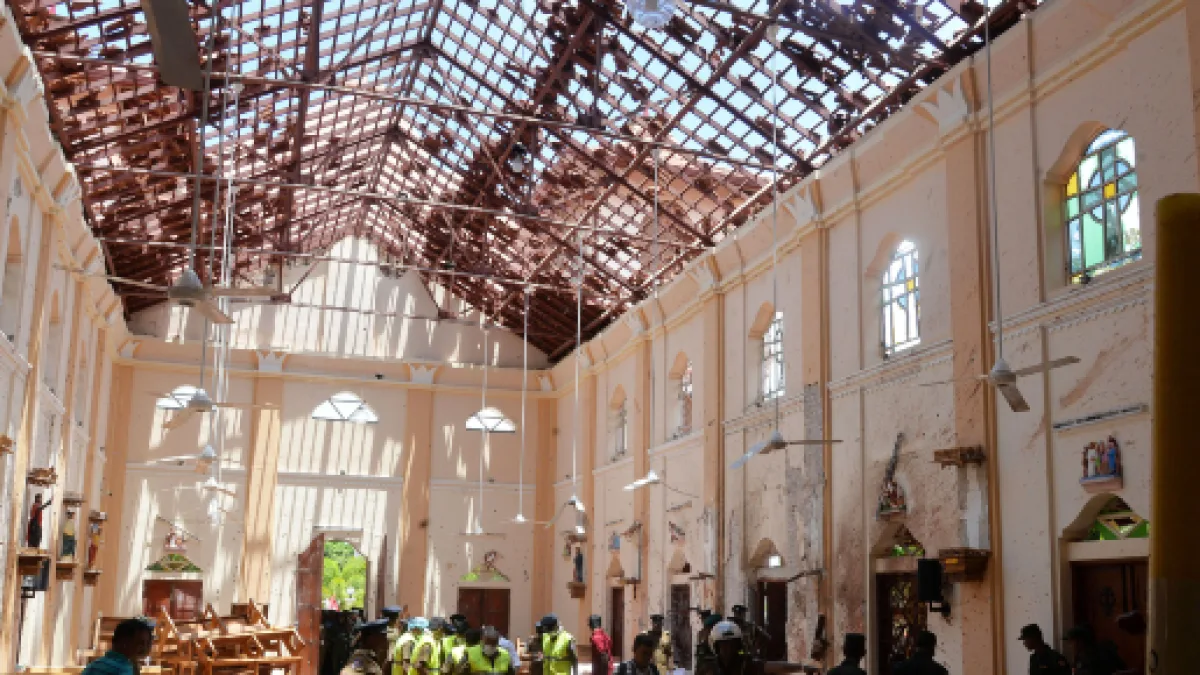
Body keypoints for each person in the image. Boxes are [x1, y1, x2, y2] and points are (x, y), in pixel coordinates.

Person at [708, 620, 819, 675]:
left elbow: (774, 667)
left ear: (738, 646)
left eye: (732, 645)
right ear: (716, 647)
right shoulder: (708, 667)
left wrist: (801, 667)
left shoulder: (745, 664)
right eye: (723, 646)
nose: (728, 650)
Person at [82, 618, 153, 675]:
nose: (145, 647)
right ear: (124, 642)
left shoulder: (93, 665)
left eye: (148, 643)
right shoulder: (123, 669)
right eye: (140, 643)